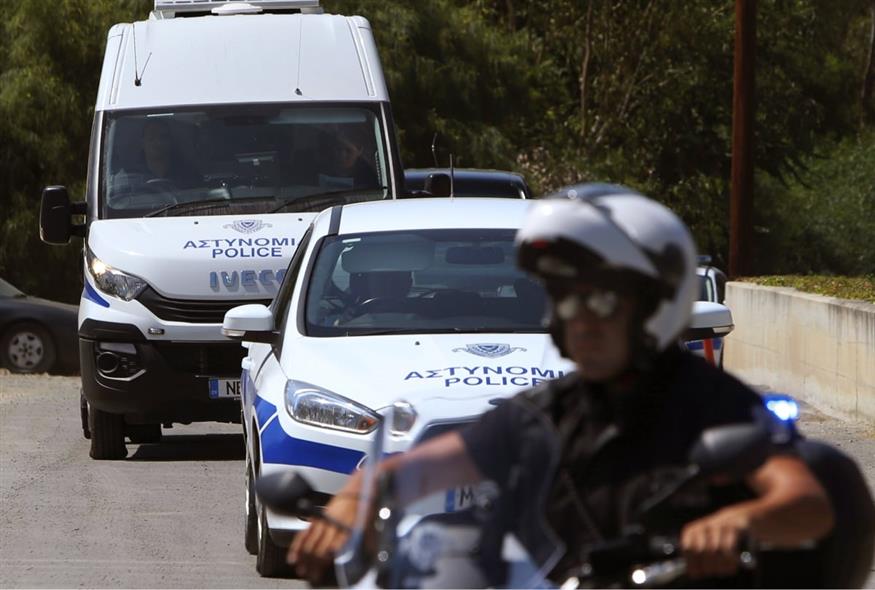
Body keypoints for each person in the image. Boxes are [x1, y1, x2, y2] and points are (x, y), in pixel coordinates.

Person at [288, 183, 834, 585]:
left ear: (651, 306)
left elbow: (806, 502)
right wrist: (349, 508)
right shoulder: (545, 415)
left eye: (600, 301)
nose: (582, 321)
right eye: (568, 302)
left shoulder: (711, 405)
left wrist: (738, 521)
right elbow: (411, 470)